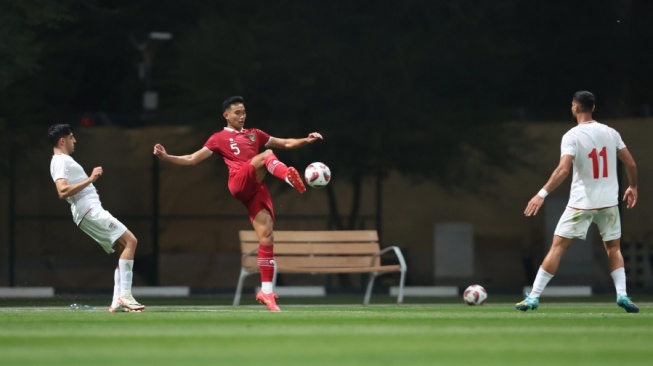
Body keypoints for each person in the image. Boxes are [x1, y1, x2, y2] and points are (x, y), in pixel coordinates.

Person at [153, 96, 323, 311]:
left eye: (243, 112)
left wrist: (306, 140)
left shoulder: (255, 134)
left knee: (267, 237)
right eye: (237, 113)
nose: (242, 116)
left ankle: (267, 292)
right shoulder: (218, 138)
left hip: (257, 188)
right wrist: (166, 157)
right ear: (226, 115)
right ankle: (288, 178)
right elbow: (191, 159)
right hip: (239, 182)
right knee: (268, 154)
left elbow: (286, 143)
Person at [517, 91, 639, 313]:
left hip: (581, 203)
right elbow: (630, 163)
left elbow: (563, 169)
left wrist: (541, 194)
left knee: (558, 247)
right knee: (613, 248)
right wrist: (633, 187)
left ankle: (533, 297)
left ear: (574, 107)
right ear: (594, 107)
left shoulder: (572, 135)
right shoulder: (611, 133)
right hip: (609, 203)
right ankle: (622, 294)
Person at [49, 124, 145, 313]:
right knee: (131, 241)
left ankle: (118, 301)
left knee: (122, 248)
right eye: (71, 137)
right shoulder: (60, 160)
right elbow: (62, 191)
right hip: (90, 211)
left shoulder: (62, 160)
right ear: (62, 140)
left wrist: (87, 187)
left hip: (87, 211)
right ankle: (126, 296)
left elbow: (71, 189)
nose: (74, 141)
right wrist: (90, 180)